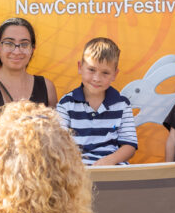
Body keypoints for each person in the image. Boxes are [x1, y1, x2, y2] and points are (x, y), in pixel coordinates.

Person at [0, 17, 57, 141]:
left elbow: (54, 138)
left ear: (32, 49)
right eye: (8, 43)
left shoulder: (46, 86)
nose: (17, 51)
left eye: (24, 44)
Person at [55, 37, 137, 166]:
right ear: (80, 67)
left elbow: (129, 145)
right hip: (76, 171)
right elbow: (58, 142)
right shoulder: (66, 104)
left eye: (105, 73)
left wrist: (109, 161)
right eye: (91, 70)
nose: (97, 78)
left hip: (112, 169)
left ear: (115, 75)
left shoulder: (122, 104)